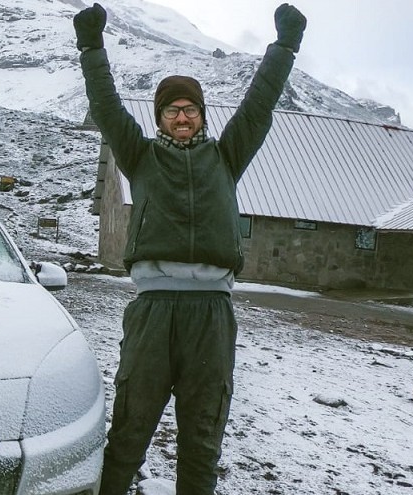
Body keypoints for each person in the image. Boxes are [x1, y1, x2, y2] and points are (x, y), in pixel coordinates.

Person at [72, 3, 305, 494]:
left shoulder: (226, 156)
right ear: (160, 118)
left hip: (211, 315)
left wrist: (284, 46)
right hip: (153, 311)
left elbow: (259, 104)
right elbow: (108, 106)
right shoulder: (141, 156)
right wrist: (92, 48)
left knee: (202, 437)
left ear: (201, 116)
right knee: (130, 430)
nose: (182, 116)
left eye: (190, 109)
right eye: (173, 109)